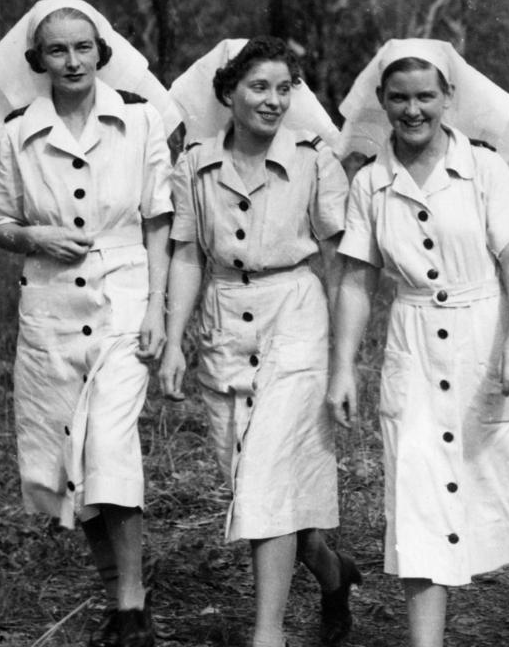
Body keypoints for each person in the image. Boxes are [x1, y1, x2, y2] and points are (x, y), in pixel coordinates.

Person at [0, 0, 178, 647]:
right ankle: (117, 602)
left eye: (84, 47)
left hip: (124, 295)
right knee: (67, 459)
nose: (72, 60)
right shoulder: (15, 135)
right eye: (58, 50)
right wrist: (35, 238)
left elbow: (161, 220)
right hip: (49, 304)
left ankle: (134, 607)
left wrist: (158, 309)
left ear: (102, 53)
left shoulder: (139, 124)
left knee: (109, 446)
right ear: (38, 61)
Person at [325, 39, 509, 647]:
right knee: (418, 494)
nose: (413, 110)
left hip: (486, 338)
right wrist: (343, 368)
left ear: (448, 99)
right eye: (399, 98)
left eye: (425, 96)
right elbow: (357, 278)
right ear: (382, 101)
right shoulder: (372, 183)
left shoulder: (482, 169)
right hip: (415, 352)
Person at [159, 37, 358, 647]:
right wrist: (173, 342)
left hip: (295, 321)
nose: (273, 100)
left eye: (283, 88)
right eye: (258, 87)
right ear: (228, 93)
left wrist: (343, 361)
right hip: (224, 327)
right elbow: (188, 255)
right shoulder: (193, 163)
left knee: (267, 482)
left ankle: (266, 634)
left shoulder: (314, 160)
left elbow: (338, 258)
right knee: (257, 487)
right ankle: (331, 573)